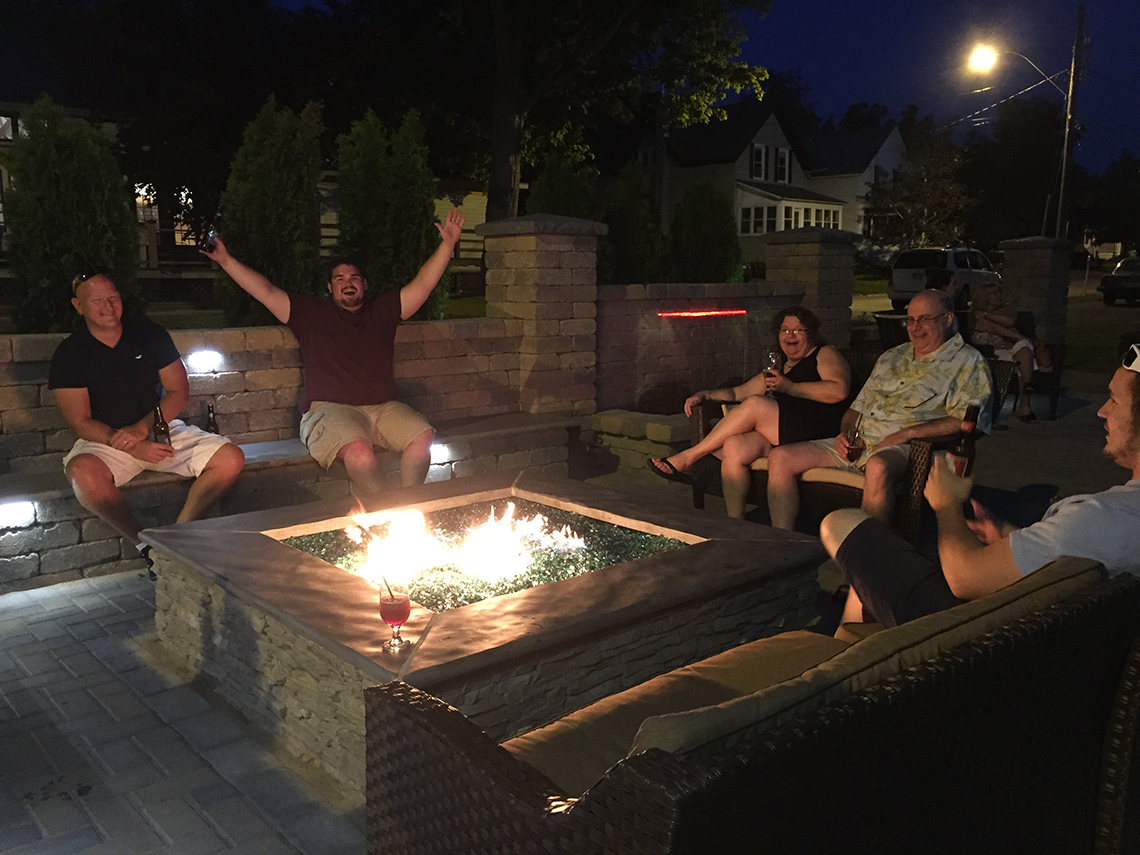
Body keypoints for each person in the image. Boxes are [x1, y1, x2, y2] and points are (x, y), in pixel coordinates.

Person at [820, 344, 1140, 628]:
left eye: (1113, 400)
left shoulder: (1103, 518)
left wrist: (946, 504)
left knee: (844, 524)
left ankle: (848, 663)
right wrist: (1011, 535)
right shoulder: (1115, 517)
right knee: (879, 565)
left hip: (968, 629)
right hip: (1025, 615)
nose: (1102, 411)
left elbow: (964, 580)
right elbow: (1073, 553)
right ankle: (851, 647)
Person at [204, 209, 465, 499]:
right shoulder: (310, 314)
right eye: (339, 279)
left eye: (354, 277)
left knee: (423, 435)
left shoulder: (383, 310)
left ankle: (409, 503)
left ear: (364, 284)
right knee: (359, 451)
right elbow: (265, 291)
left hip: (381, 408)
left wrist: (448, 245)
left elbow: (424, 285)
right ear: (330, 288)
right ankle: (389, 510)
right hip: (329, 409)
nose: (348, 283)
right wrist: (225, 260)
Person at [48, 272, 245, 568]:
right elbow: (81, 421)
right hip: (107, 439)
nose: (108, 306)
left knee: (230, 458)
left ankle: (178, 540)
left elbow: (179, 391)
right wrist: (129, 445)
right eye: (97, 300)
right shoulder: (70, 354)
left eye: (113, 298)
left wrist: (144, 429)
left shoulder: (149, 335)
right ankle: (146, 547)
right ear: (79, 306)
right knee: (83, 474)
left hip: (157, 427)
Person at [766, 289, 993, 531]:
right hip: (859, 443)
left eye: (925, 319)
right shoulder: (892, 356)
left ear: (947, 319)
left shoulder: (968, 362)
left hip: (907, 447)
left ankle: (870, 555)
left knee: (878, 466)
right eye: (911, 320)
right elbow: (855, 410)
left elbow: (968, 421)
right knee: (780, 457)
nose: (915, 327)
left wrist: (907, 434)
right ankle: (784, 540)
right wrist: (845, 434)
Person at [647, 306, 851, 518]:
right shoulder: (778, 367)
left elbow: (839, 390)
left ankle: (690, 456)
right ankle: (736, 523)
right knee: (735, 446)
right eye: (785, 330)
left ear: (811, 333)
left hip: (816, 429)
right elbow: (737, 392)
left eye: (798, 330)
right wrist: (705, 394)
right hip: (781, 433)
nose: (790, 336)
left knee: (757, 404)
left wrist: (791, 388)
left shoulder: (823, 353)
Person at [971, 282, 1036, 421]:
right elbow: (992, 328)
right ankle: (1027, 394)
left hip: (1013, 349)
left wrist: (987, 314)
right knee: (1022, 356)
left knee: (1024, 346)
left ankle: (1025, 399)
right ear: (985, 297)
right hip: (992, 353)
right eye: (994, 294)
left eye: (999, 292)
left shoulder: (1007, 309)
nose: (998, 296)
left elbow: (1010, 321)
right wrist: (1017, 335)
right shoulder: (975, 316)